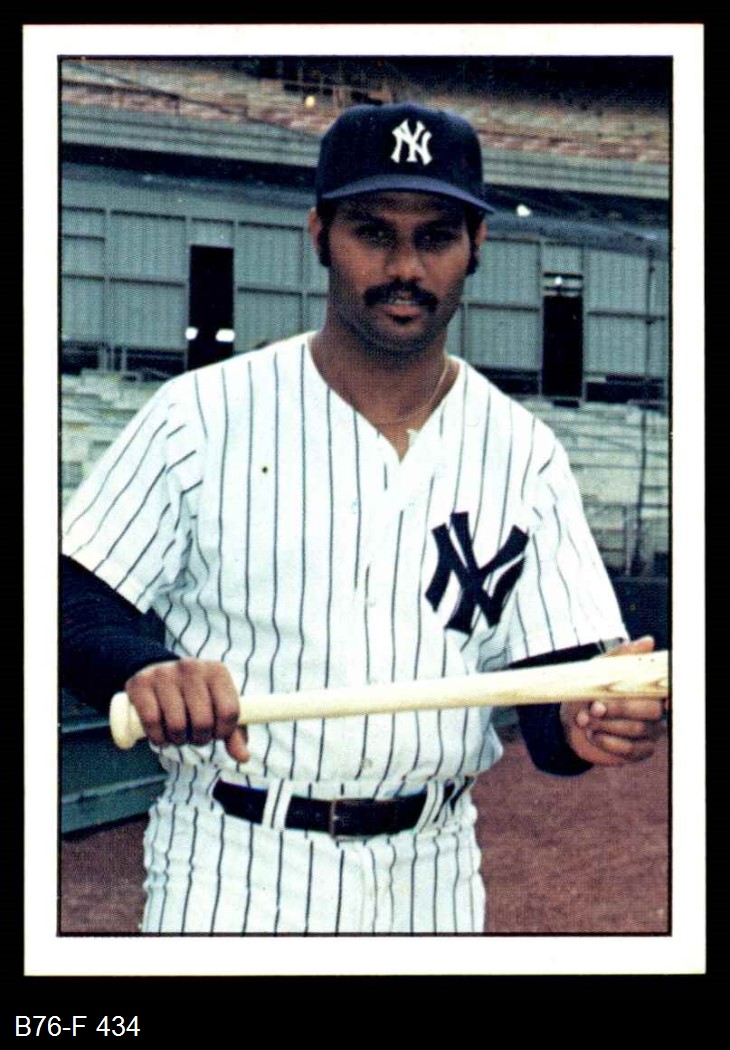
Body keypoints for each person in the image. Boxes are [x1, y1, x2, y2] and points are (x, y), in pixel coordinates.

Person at [61, 102, 666, 934]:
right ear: (319, 235)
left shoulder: (523, 452)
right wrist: (144, 666)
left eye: (436, 236)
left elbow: (555, 696)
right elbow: (72, 599)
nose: (405, 267)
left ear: (477, 245)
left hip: (435, 869)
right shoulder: (200, 415)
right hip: (238, 861)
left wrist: (588, 721)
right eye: (374, 232)